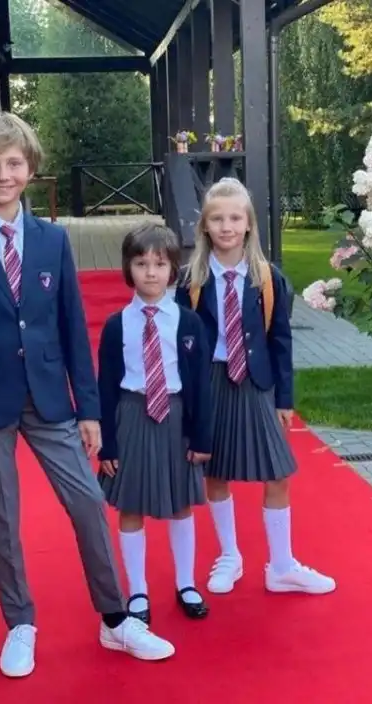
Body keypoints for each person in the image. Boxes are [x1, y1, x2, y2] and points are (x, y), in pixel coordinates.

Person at [0, 110, 175, 678]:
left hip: (50, 398)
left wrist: (89, 409)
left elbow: (70, 327)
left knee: (87, 502)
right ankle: (20, 623)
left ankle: (115, 619)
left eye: (14, 163)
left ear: (30, 168)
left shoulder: (52, 240)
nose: (3, 175)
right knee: (2, 519)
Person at [175, 177, 336, 596]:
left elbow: (280, 341)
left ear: (248, 224)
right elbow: (179, 342)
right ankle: (229, 554)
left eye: (235, 218)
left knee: (278, 472)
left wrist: (285, 397)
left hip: (256, 383)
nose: (226, 226)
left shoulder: (268, 279)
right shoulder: (191, 281)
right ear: (204, 226)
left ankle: (281, 565)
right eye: (217, 219)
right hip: (210, 383)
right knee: (215, 471)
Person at [97, 223, 212, 625]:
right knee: (131, 506)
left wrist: (201, 436)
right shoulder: (117, 325)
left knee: (181, 505)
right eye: (141, 263)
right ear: (128, 269)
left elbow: (200, 384)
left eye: (159, 264)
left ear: (173, 269)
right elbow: (105, 386)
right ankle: (138, 590)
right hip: (131, 416)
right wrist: (107, 443)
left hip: (176, 418)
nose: (150, 272)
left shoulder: (188, 323)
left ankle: (186, 583)